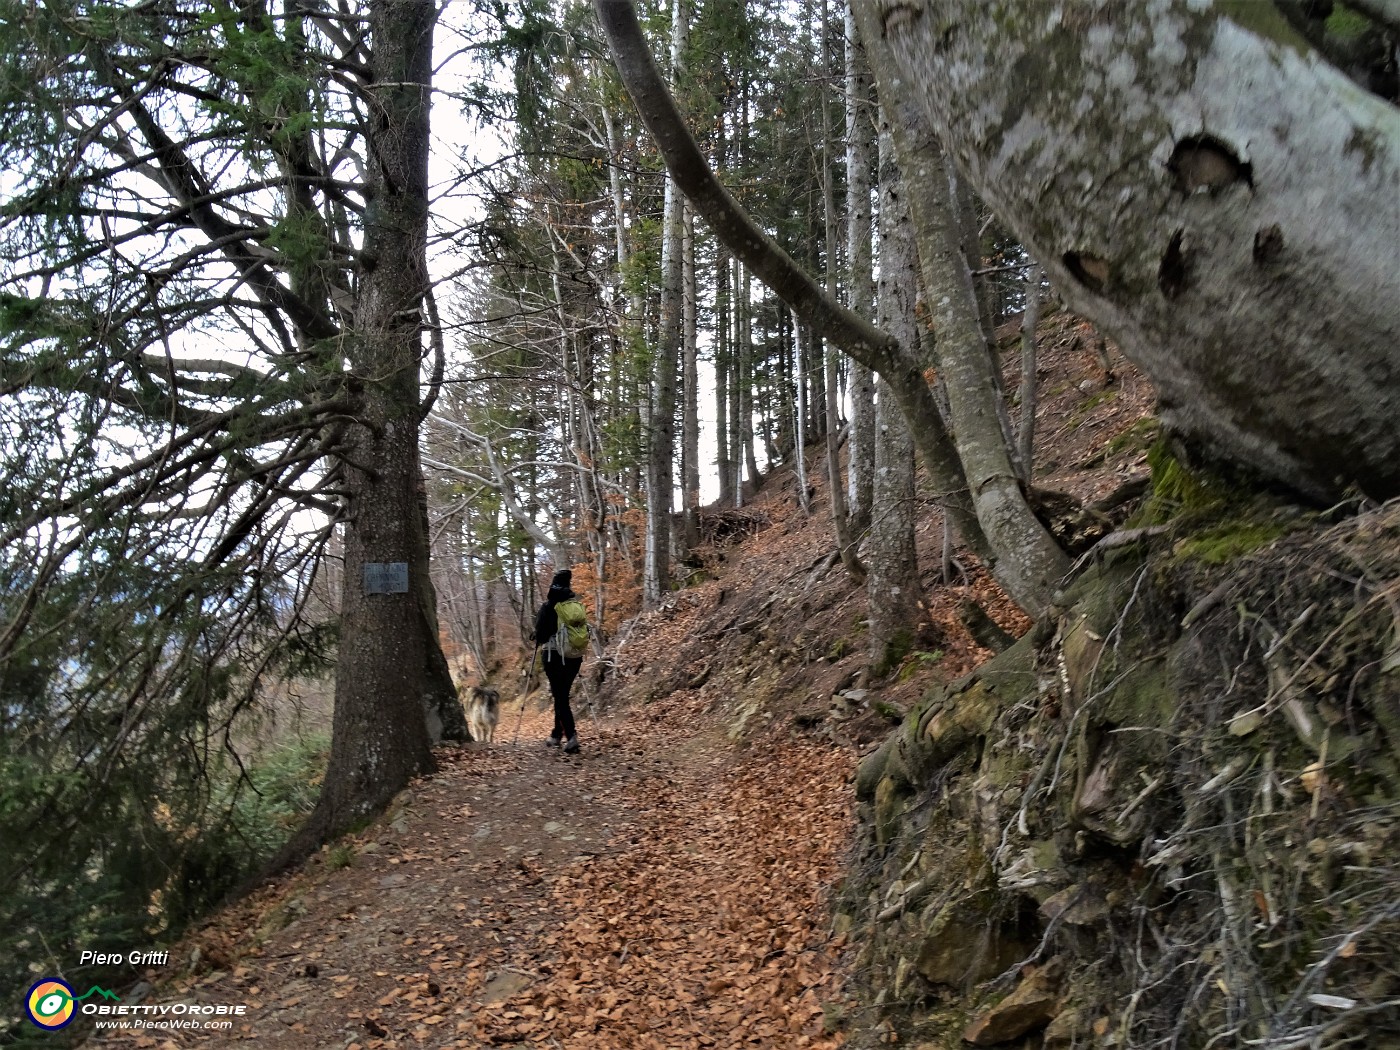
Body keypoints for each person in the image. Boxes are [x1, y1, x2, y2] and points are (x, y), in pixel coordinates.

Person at [533, 569, 584, 754]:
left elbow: (540, 635)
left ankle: (571, 736)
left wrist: (537, 634)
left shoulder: (549, 607)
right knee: (561, 695)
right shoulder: (574, 605)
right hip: (574, 656)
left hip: (553, 656)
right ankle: (556, 734)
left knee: (560, 697)